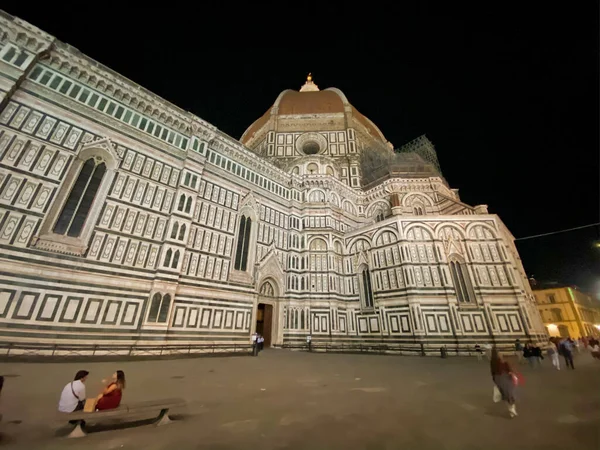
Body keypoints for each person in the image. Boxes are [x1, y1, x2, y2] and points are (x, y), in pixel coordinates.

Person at [490, 347, 518, 418]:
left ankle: (511, 409)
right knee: (509, 394)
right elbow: (508, 369)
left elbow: (493, 372)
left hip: (499, 378)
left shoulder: (493, 361)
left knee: (506, 395)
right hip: (504, 378)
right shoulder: (501, 361)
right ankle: (512, 409)